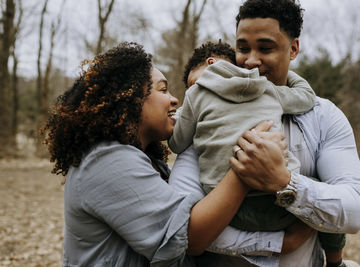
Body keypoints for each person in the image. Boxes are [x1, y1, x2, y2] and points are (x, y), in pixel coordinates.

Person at [41, 42, 290, 266]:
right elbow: (188, 238)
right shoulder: (106, 160)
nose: (174, 100)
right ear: (128, 98)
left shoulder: (144, 160)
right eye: (162, 90)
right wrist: (246, 161)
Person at [169, 0, 360, 266]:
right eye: (242, 48)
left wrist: (284, 182)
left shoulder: (324, 116)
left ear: (293, 48)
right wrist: (275, 244)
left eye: (265, 48)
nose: (251, 61)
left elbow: (355, 210)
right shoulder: (211, 114)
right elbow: (182, 233)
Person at [169, 41, 316, 232]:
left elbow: (176, 143)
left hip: (227, 209)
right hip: (279, 199)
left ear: (211, 63)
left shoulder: (196, 94)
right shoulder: (266, 88)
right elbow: (306, 96)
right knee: (320, 195)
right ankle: (334, 259)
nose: (189, 90)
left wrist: (182, 112)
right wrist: (282, 69)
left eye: (191, 83)